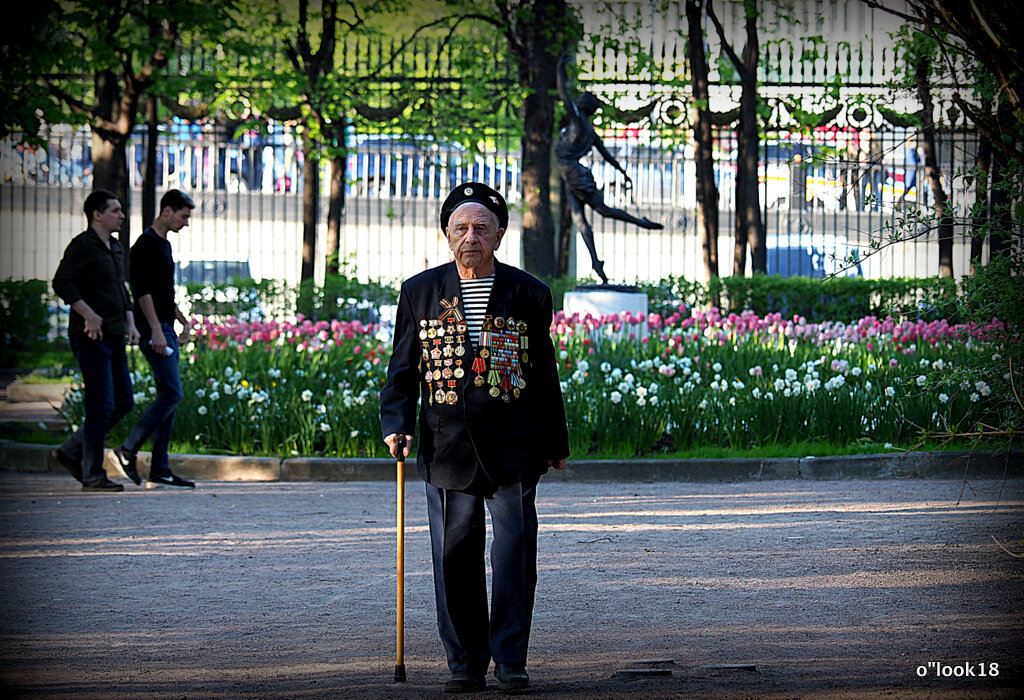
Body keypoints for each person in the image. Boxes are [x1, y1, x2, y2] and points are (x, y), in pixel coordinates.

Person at [380, 182, 569, 693]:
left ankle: (510, 658)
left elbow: (544, 372)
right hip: (448, 445)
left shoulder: (529, 293)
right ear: (446, 235)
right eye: (461, 228)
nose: (471, 237)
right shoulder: (419, 292)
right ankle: (464, 661)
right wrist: (394, 422)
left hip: (514, 446)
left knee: (514, 552)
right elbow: (403, 369)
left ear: (500, 234)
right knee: (454, 554)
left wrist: (555, 441)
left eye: (481, 228)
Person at [51, 190, 140, 492]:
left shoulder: (114, 247)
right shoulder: (83, 246)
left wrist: (131, 324)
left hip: (115, 334)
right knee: (101, 404)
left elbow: (122, 291)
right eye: (115, 210)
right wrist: (88, 314)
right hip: (91, 336)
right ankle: (92, 474)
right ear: (97, 214)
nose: (122, 215)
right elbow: (61, 282)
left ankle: (71, 449)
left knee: (123, 401)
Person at [113, 189, 196, 490]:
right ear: (166, 211)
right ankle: (128, 448)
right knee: (172, 394)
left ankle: (160, 468)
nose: (186, 223)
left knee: (169, 397)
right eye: (183, 216)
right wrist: (157, 330)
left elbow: (164, 294)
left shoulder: (164, 245)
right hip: (155, 328)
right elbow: (143, 292)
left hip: (164, 325)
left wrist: (183, 321)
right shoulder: (145, 245)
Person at [556, 53, 662, 284]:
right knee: (581, 220)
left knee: (598, 212)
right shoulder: (588, 130)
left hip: (573, 173)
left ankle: (638, 223)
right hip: (571, 173)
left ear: (583, 106)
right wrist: (622, 173)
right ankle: (596, 262)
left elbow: (564, 95)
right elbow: (608, 157)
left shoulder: (577, 120)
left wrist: (559, 71)